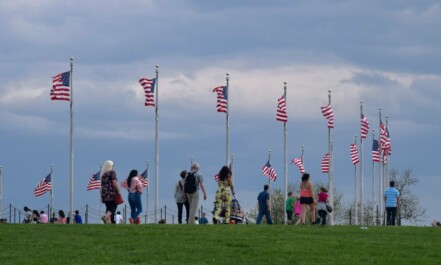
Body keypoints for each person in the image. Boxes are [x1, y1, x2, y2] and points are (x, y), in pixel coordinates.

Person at [100, 160, 121, 224]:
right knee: (114, 207)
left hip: (104, 193)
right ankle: (105, 217)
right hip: (111, 192)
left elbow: (101, 185)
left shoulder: (103, 174)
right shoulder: (112, 172)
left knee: (108, 207)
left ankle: (108, 222)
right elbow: (114, 181)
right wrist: (118, 190)